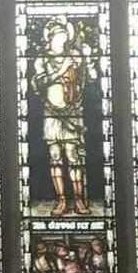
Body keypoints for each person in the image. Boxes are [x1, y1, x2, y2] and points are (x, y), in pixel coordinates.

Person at [30, 17, 97, 215]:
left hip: (73, 110)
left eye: (64, 35)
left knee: (73, 155)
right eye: (58, 36)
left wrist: (87, 62)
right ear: (50, 38)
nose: (62, 39)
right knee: (55, 156)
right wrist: (61, 69)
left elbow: (89, 80)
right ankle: (61, 201)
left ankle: (79, 200)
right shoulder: (42, 58)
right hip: (51, 112)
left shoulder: (74, 55)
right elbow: (38, 84)